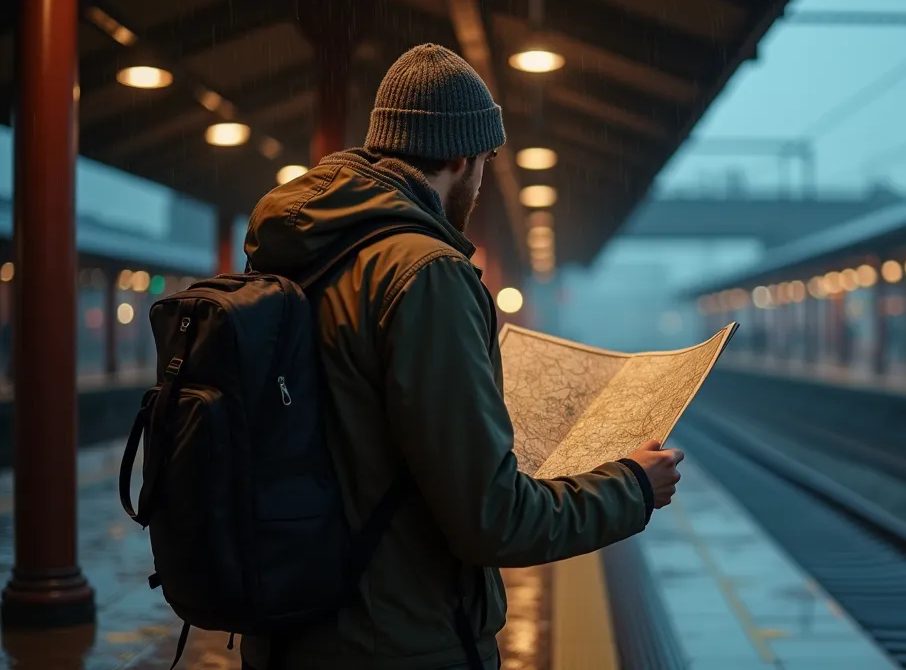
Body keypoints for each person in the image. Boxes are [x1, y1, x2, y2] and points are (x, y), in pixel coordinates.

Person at [238, 44, 684, 670]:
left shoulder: (302, 252)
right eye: (486, 160)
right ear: (460, 156)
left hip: (286, 629)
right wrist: (633, 486)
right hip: (394, 642)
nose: (481, 179)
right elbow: (491, 520)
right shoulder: (426, 274)